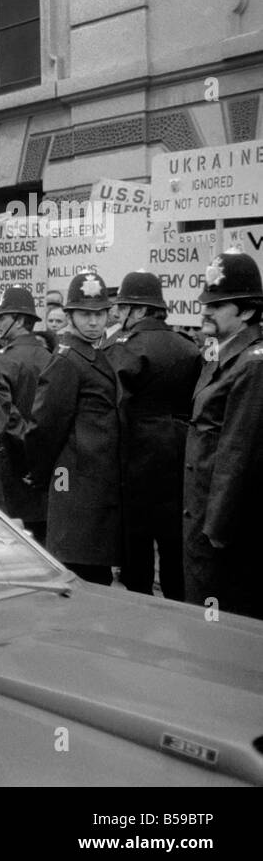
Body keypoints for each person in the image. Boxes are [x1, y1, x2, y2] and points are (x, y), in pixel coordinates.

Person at [106, 271, 200, 601]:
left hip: (136, 460)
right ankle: (180, 609)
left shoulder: (124, 348)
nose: (118, 315)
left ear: (139, 310)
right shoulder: (188, 347)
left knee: (137, 552)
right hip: (180, 457)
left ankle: (141, 618)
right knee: (175, 548)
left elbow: (116, 406)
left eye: (123, 308)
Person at [26, 271, 121, 585]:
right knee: (85, 580)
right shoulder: (68, 359)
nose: (94, 322)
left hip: (91, 484)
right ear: (70, 315)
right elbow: (45, 425)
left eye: (99, 314)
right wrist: (42, 475)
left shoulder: (91, 353)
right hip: (77, 486)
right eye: (85, 314)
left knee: (93, 578)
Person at [182, 252, 263, 619]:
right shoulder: (222, 355)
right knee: (204, 618)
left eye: (218, 305)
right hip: (201, 515)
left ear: (247, 312)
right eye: (206, 303)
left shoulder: (253, 365)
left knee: (218, 621)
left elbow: (237, 454)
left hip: (222, 532)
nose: (207, 312)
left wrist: (214, 530)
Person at [0, 286, 52, 539]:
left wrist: (29, 454)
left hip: (15, 466)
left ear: (20, 321)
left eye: (3, 317)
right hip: (47, 468)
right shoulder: (51, 357)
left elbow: (6, 413)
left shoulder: (4, 360)